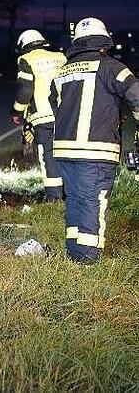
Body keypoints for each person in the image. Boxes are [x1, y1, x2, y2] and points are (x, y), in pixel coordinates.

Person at [50, 17, 139, 263]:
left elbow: (54, 104)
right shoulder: (113, 68)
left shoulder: (63, 71)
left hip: (65, 150)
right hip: (96, 150)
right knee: (92, 200)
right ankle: (88, 259)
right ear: (104, 42)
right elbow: (135, 95)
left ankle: (74, 252)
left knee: (76, 199)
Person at [12, 29, 66, 200]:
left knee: (48, 157)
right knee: (67, 153)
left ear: (24, 46)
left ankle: (54, 196)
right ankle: (70, 192)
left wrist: (16, 111)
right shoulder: (61, 57)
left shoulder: (26, 60)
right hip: (67, 114)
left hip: (44, 117)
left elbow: (25, 90)